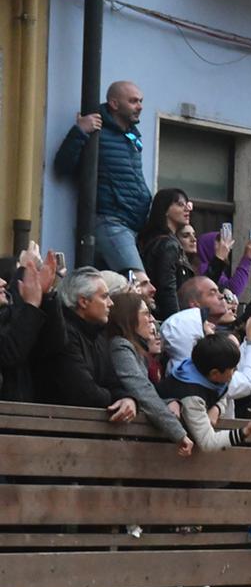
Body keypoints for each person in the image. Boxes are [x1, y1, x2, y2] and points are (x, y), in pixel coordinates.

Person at [53, 81, 152, 272]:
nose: (140, 107)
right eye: (133, 101)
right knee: (139, 283)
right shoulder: (98, 132)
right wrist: (79, 131)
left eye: (140, 101)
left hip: (132, 226)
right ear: (114, 104)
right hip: (111, 223)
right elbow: (62, 166)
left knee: (116, 294)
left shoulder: (131, 136)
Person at [39, 267, 137, 424]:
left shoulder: (98, 335)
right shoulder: (63, 334)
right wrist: (112, 398)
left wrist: (127, 399)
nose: (111, 303)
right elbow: (83, 392)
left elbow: (113, 381)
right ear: (83, 301)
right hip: (58, 427)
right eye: (104, 297)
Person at [106, 291, 192, 456]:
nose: (152, 320)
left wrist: (171, 402)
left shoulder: (138, 350)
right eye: (146, 314)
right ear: (129, 318)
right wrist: (179, 433)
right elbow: (141, 390)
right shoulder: (120, 346)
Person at [156, 333, 251, 452]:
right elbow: (208, 443)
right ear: (215, 373)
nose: (235, 372)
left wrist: (217, 408)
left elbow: (223, 391)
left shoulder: (203, 370)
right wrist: (246, 430)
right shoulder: (192, 397)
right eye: (232, 369)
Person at [0, 248, 63, 403]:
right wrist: (32, 305)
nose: (3, 283)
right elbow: (9, 352)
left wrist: (46, 296)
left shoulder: (9, 313)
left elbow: (55, 344)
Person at [137, 188, 195, 321]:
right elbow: (167, 288)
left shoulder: (160, 240)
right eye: (180, 204)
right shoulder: (168, 245)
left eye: (187, 205)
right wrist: (176, 321)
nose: (187, 209)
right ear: (165, 210)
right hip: (167, 319)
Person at [197, 231, 251, 300]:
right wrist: (247, 259)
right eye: (219, 241)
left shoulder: (217, 269)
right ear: (208, 246)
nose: (225, 245)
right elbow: (233, 289)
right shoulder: (203, 269)